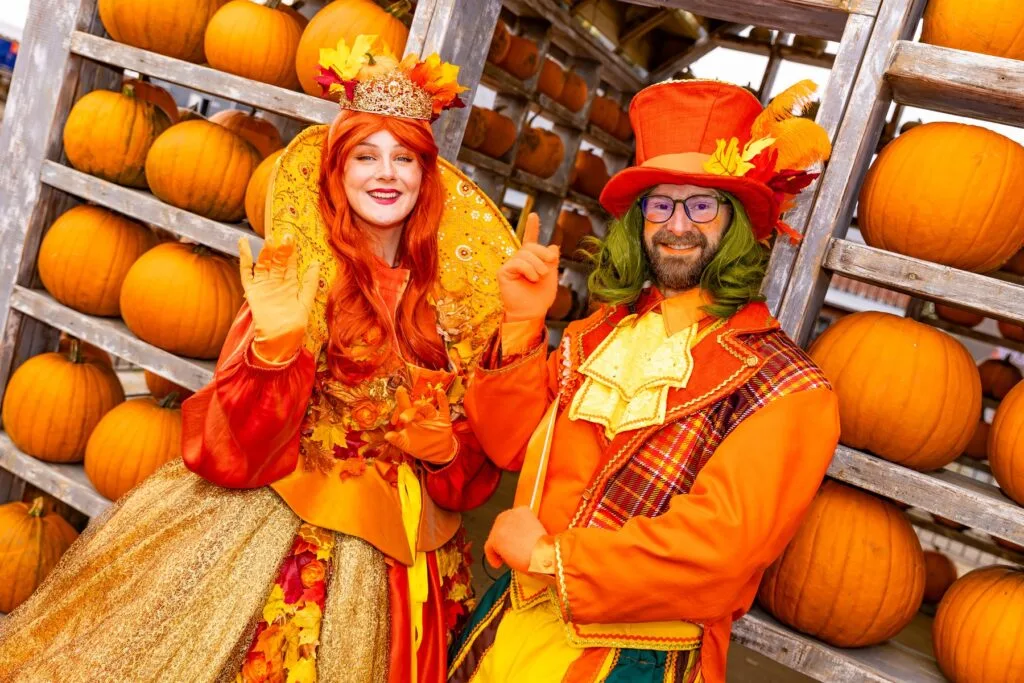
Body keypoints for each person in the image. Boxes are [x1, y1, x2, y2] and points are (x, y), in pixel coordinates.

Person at [0, 37, 516, 682]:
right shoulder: (296, 275)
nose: (386, 174)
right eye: (366, 155)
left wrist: (445, 451)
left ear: (426, 175)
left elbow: (481, 458)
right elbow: (235, 443)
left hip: (410, 550)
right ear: (338, 171)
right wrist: (274, 352)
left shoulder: (455, 298)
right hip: (282, 518)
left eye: (404, 158)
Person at [448, 79, 842, 683]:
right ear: (639, 220)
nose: (677, 224)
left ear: (736, 223)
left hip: (636, 659)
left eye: (701, 205)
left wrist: (554, 557)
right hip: (509, 630)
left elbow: (719, 552)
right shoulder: (600, 333)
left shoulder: (790, 387)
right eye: (661, 204)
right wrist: (525, 322)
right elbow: (512, 445)